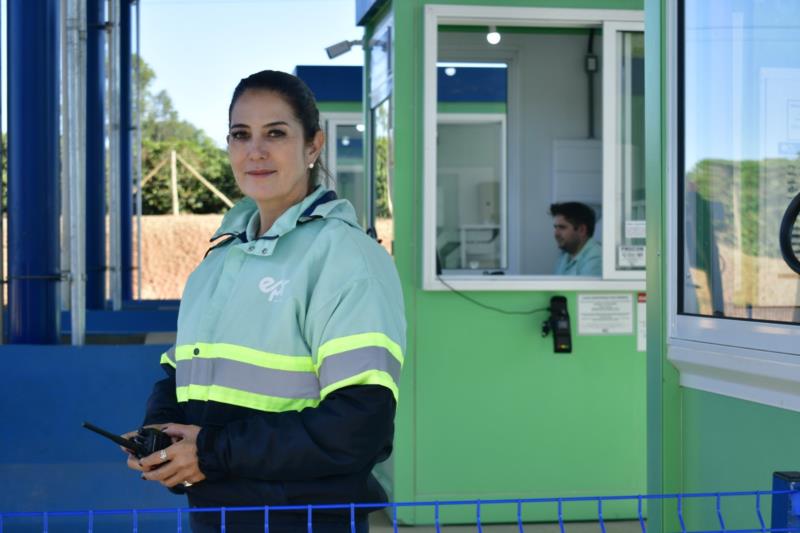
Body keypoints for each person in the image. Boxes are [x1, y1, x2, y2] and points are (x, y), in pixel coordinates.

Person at [122, 70, 406, 533]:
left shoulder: (347, 256)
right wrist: (164, 436)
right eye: (240, 134)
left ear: (313, 146)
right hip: (218, 514)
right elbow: (182, 376)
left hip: (305, 519)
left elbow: (359, 426)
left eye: (275, 133)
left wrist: (211, 451)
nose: (255, 150)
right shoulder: (219, 260)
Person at [550, 202, 602, 276]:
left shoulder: (596, 258)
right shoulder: (566, 253)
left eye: (562, 227)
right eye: (555, 227)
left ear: (582, 230)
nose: (556, 234)